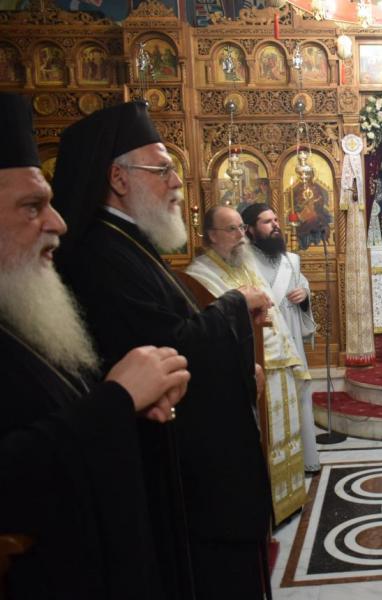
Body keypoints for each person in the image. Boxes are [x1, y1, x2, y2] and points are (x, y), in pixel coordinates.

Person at [52, 101, 275, 600]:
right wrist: (236, 307)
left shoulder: (128, 241)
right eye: (163, 170)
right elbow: (167, 350)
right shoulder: (99, 254)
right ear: (118, 177)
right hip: (173, 477)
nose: (177, 182)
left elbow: (172, 333)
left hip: (189, 469)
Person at [0, 92, 190, 599]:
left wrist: (129, 403)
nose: (57, 223)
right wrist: (117, 400)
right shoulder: (99, 253)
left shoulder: (20, 305)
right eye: (32, 206)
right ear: (118, 179)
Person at [188, 206, 312, 523]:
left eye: (241, 228)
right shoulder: (199, 275)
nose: (240, 236)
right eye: (232, 229)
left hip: (278, 362)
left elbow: (272, 313)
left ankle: (289, 500)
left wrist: (292, 357)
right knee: (263, 442)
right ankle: (267, 506)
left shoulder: (246, 265)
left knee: (285, 438)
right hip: (250, 370)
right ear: (211, 235)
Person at [242, 203, 322, 474]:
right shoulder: (243, 263)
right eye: (267, 222)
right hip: (263, 343)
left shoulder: (291, 260)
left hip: (291, 340)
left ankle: (304, 459)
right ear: (250, 229)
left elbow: (302, 286)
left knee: (297, 395)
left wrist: (304, 296)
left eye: (275, 219)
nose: (275, 225)